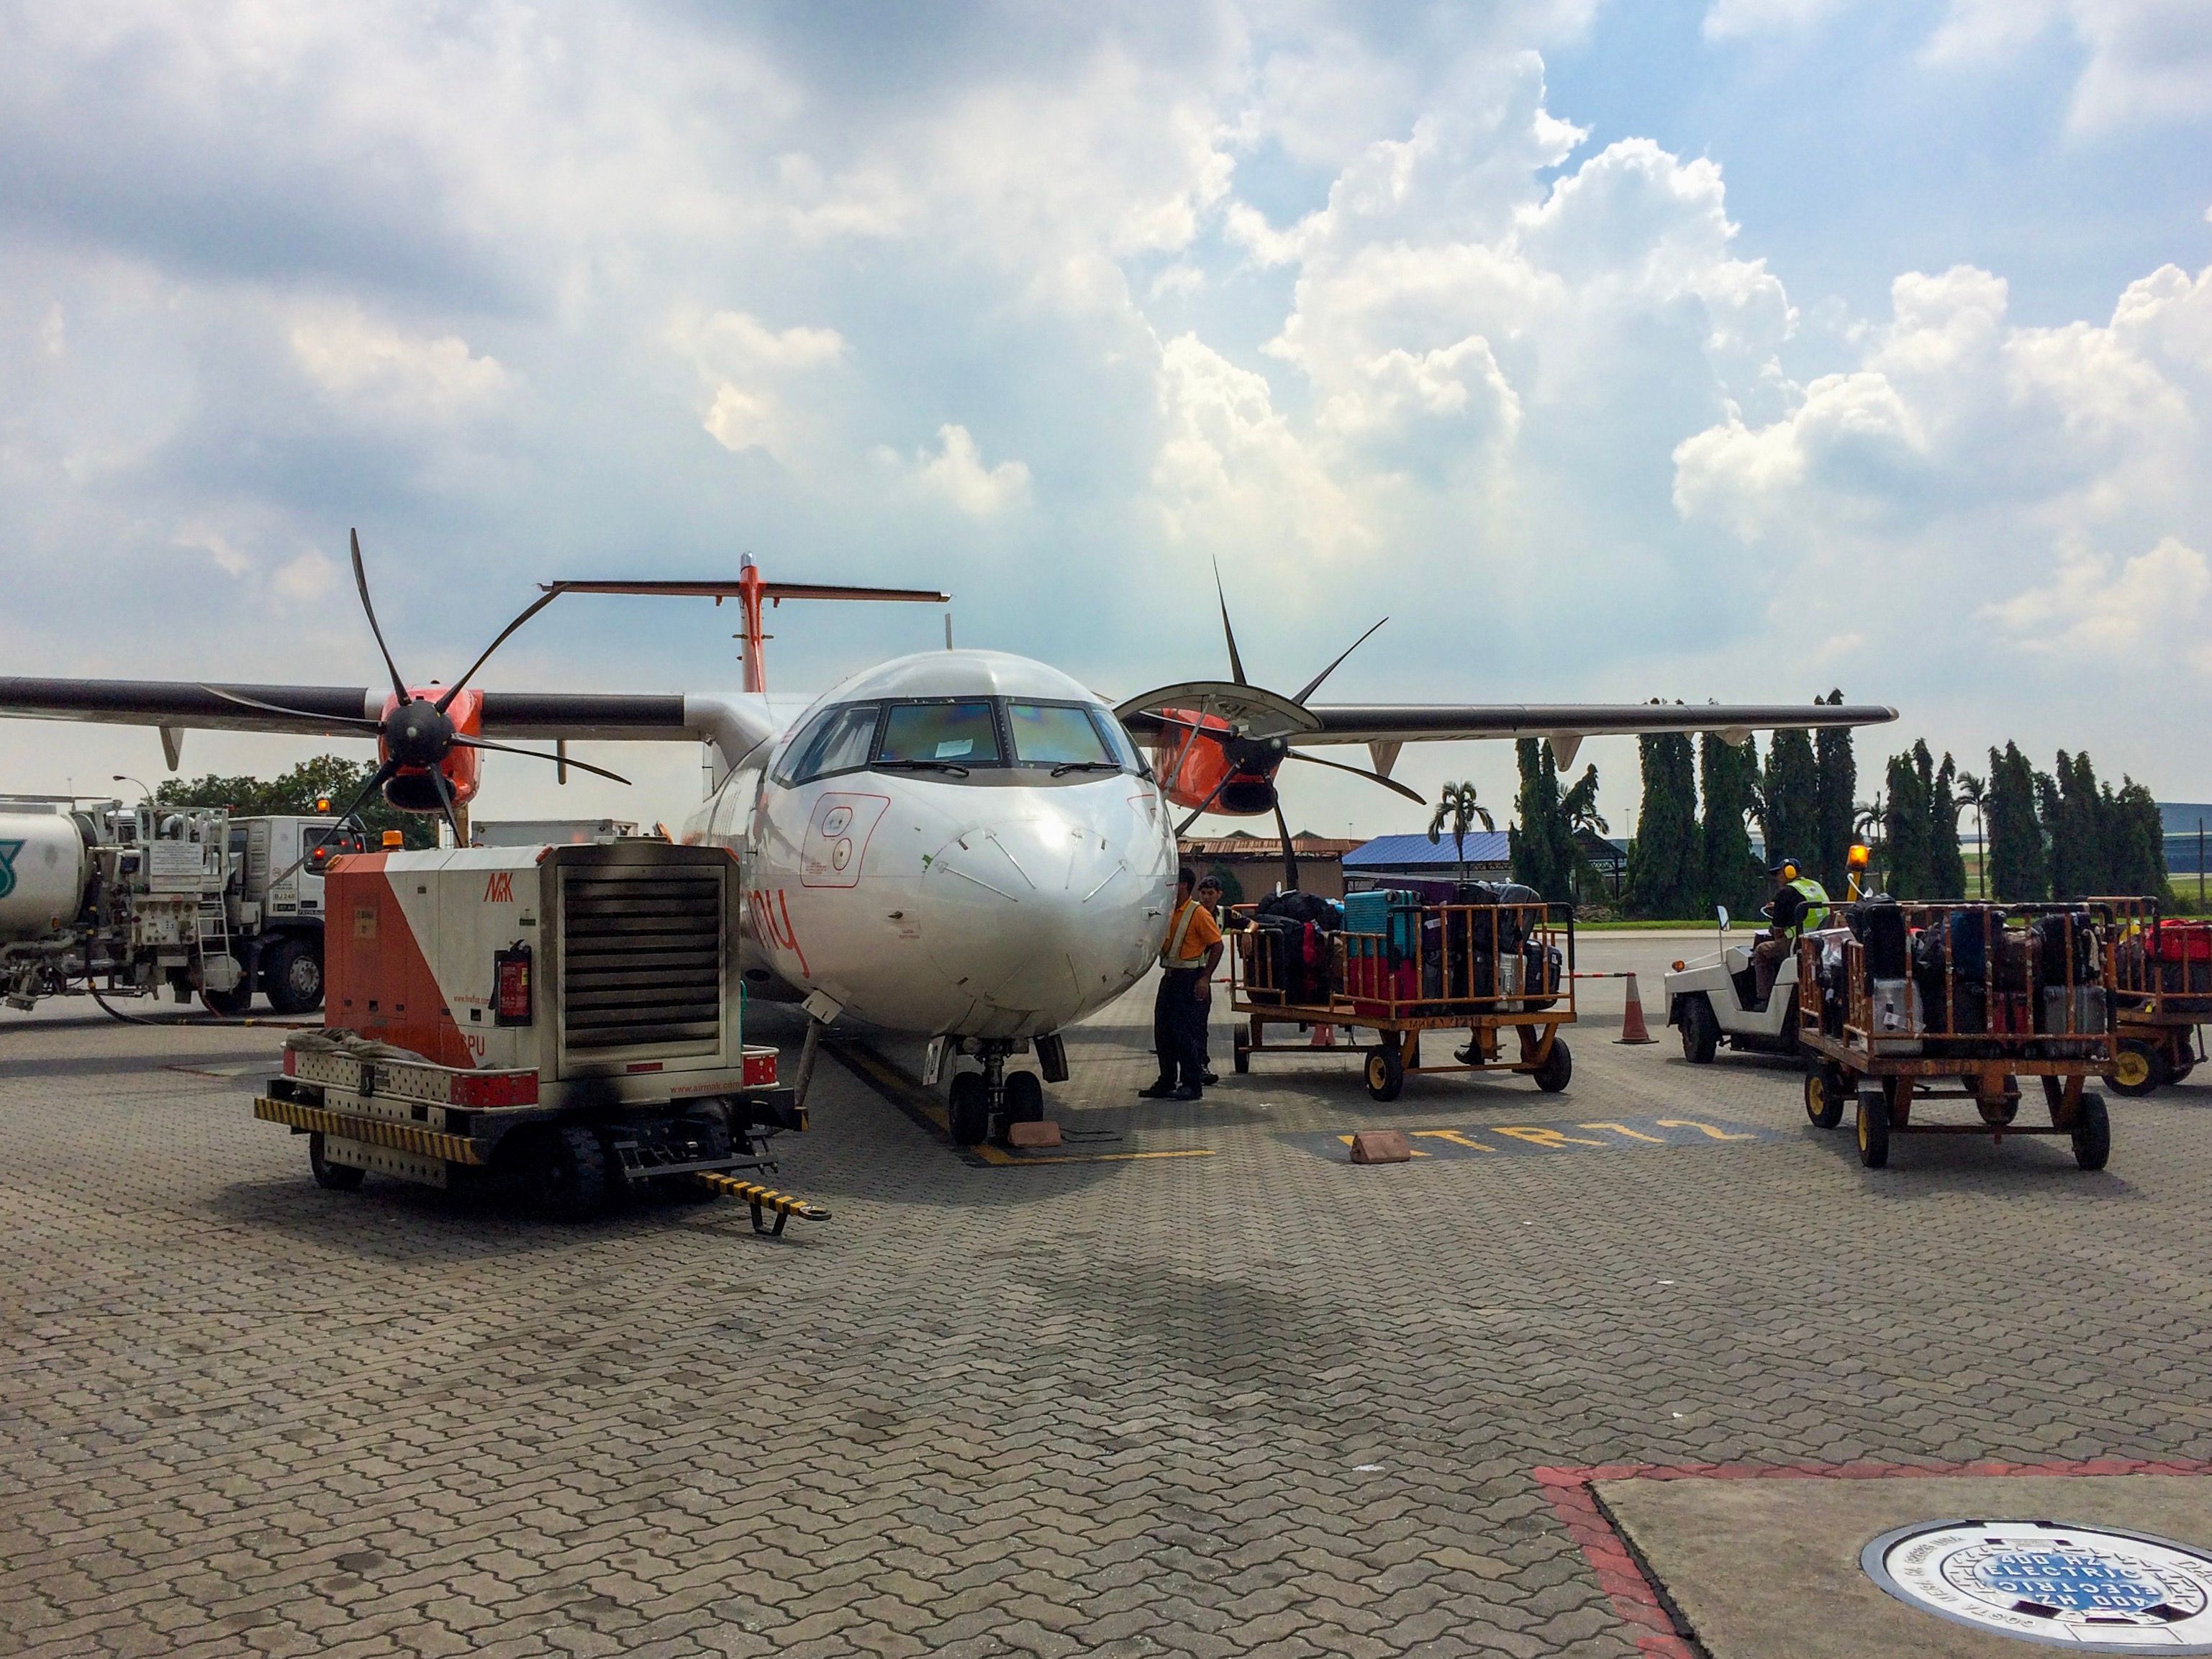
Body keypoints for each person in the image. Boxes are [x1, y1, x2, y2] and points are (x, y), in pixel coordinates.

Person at [1141, 866, 1223, 1101]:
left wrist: (1205, 978)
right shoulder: (1167, 911)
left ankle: (1192, 1083)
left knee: (1183, 1031)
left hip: (1189, 978)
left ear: (1183, 886)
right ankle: (1166, 1080)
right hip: (1170, 977)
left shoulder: (1198, 914)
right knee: (1163, 1030)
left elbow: (1217, 945)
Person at [1751, 855, 1831, 1006]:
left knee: (1761, 952)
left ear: (1789, 872)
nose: (1778, 878)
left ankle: (1765, 999)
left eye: (1779, 874)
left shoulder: (1786, 892)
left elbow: (1778, 928)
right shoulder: (1815, 885)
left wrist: (1776, 910)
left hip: (1797, 944)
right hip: (1820, 941)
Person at [1195, 876, 1225, 1084]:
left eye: (1210, 894)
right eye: (1203, 894)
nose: (1206, 898)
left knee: (1199, 1024)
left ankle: (1200, 1064)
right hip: (1188, 971)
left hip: (1202, 976)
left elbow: (1250, 922)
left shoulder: (1223, 914)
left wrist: (1249, 933)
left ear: (1219, 895)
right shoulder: (1194, 913)